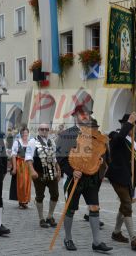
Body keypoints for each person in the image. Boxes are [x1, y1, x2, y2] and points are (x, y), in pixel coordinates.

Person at [56, 105, 112, 252]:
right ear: (75, 116)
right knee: (71, 209)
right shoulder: (67, 134)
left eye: (87, 114)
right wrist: (71, 171)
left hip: (91, 178)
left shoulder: (94, 134)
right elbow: (60, 156)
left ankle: (97, 242)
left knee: (94, 207)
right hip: (74, 178)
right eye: (82, 114)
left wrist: (100, 163)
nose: (85, 116)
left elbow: (101, 153)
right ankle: (68, 238)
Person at [106, 112, 136, 251]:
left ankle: (116, 232)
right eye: (132, 125)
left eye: (135, 125)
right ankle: (133, 238)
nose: (134, 128)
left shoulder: (135, 142)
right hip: (118, 177)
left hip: (130, 179)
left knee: (124, 204)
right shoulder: (115, 135)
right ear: (124, 124)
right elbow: (119, 139)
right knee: (127, 204)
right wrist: (129, 123)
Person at [26, 123, 60, 228]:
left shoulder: (52, 142)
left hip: (51, 172)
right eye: (42, 129)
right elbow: (28, 157)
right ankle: (41, 218)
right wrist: (32, 171)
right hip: (39, 173)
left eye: (46, 129)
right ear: (38, 130)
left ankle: (50, 216)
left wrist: (58, 170)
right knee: (39, 196)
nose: (44, 131)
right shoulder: (32, 141)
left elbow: (54, 158)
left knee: (55, 194)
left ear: (49, 130)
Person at [9, 126, 31, 209]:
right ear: (21, 134)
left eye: (26, 133)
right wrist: (14, 168)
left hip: (28, 164)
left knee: (27, 183)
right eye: (23, 133)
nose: (25, 134)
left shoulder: (30, 142)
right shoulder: (17, 142)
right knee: (21, 183)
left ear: (28, 133)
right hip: (20, 164)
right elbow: (13, 155)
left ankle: (25, 201)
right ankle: (21, 201)